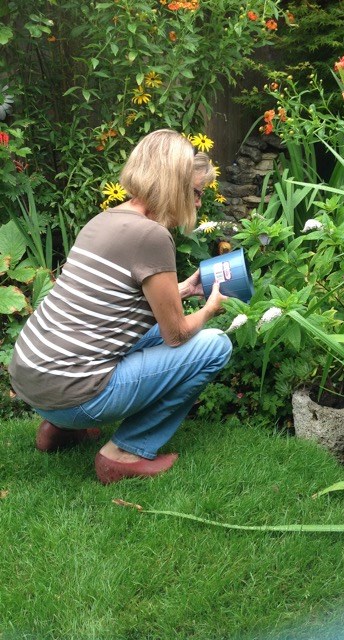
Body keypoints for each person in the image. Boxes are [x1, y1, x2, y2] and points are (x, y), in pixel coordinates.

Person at [9, 129, 232, 484]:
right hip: (72, 392)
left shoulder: (107, 219)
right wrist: (210, 309)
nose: (199, 203)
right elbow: (176, 336)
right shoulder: (153, 236)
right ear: (173, 184)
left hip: (30, 378)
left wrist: (184, 290)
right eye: (196, 192)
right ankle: (125, 452)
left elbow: (113, 303)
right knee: (215, 345)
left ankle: (62, 429)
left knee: (149, 334)